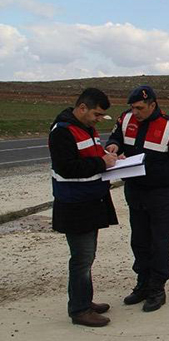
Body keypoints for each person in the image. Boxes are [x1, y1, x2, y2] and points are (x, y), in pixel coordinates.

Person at [105, 85, 169, 313]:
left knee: (160, 243)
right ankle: (142, 284)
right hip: (136, 191)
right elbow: (116, 138)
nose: (135, 113)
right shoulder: (125, 119)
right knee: (140, 241)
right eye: (132, 108)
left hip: (163, 194)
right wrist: (112, 145)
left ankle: (157, 288)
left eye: (140, 108)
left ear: (152, 105)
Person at [49, 88, 118, 327]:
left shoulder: (85, 128)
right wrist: (101, 162)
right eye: (97, 114)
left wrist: (104, 153)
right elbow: (66, 167)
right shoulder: (62, 132)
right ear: (82, 108)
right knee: (81, 258)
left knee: (87, 256)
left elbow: (86, 156)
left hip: (90, 200)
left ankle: (85, 301)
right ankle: (79, 310)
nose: (99, 119)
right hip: (75, 204)